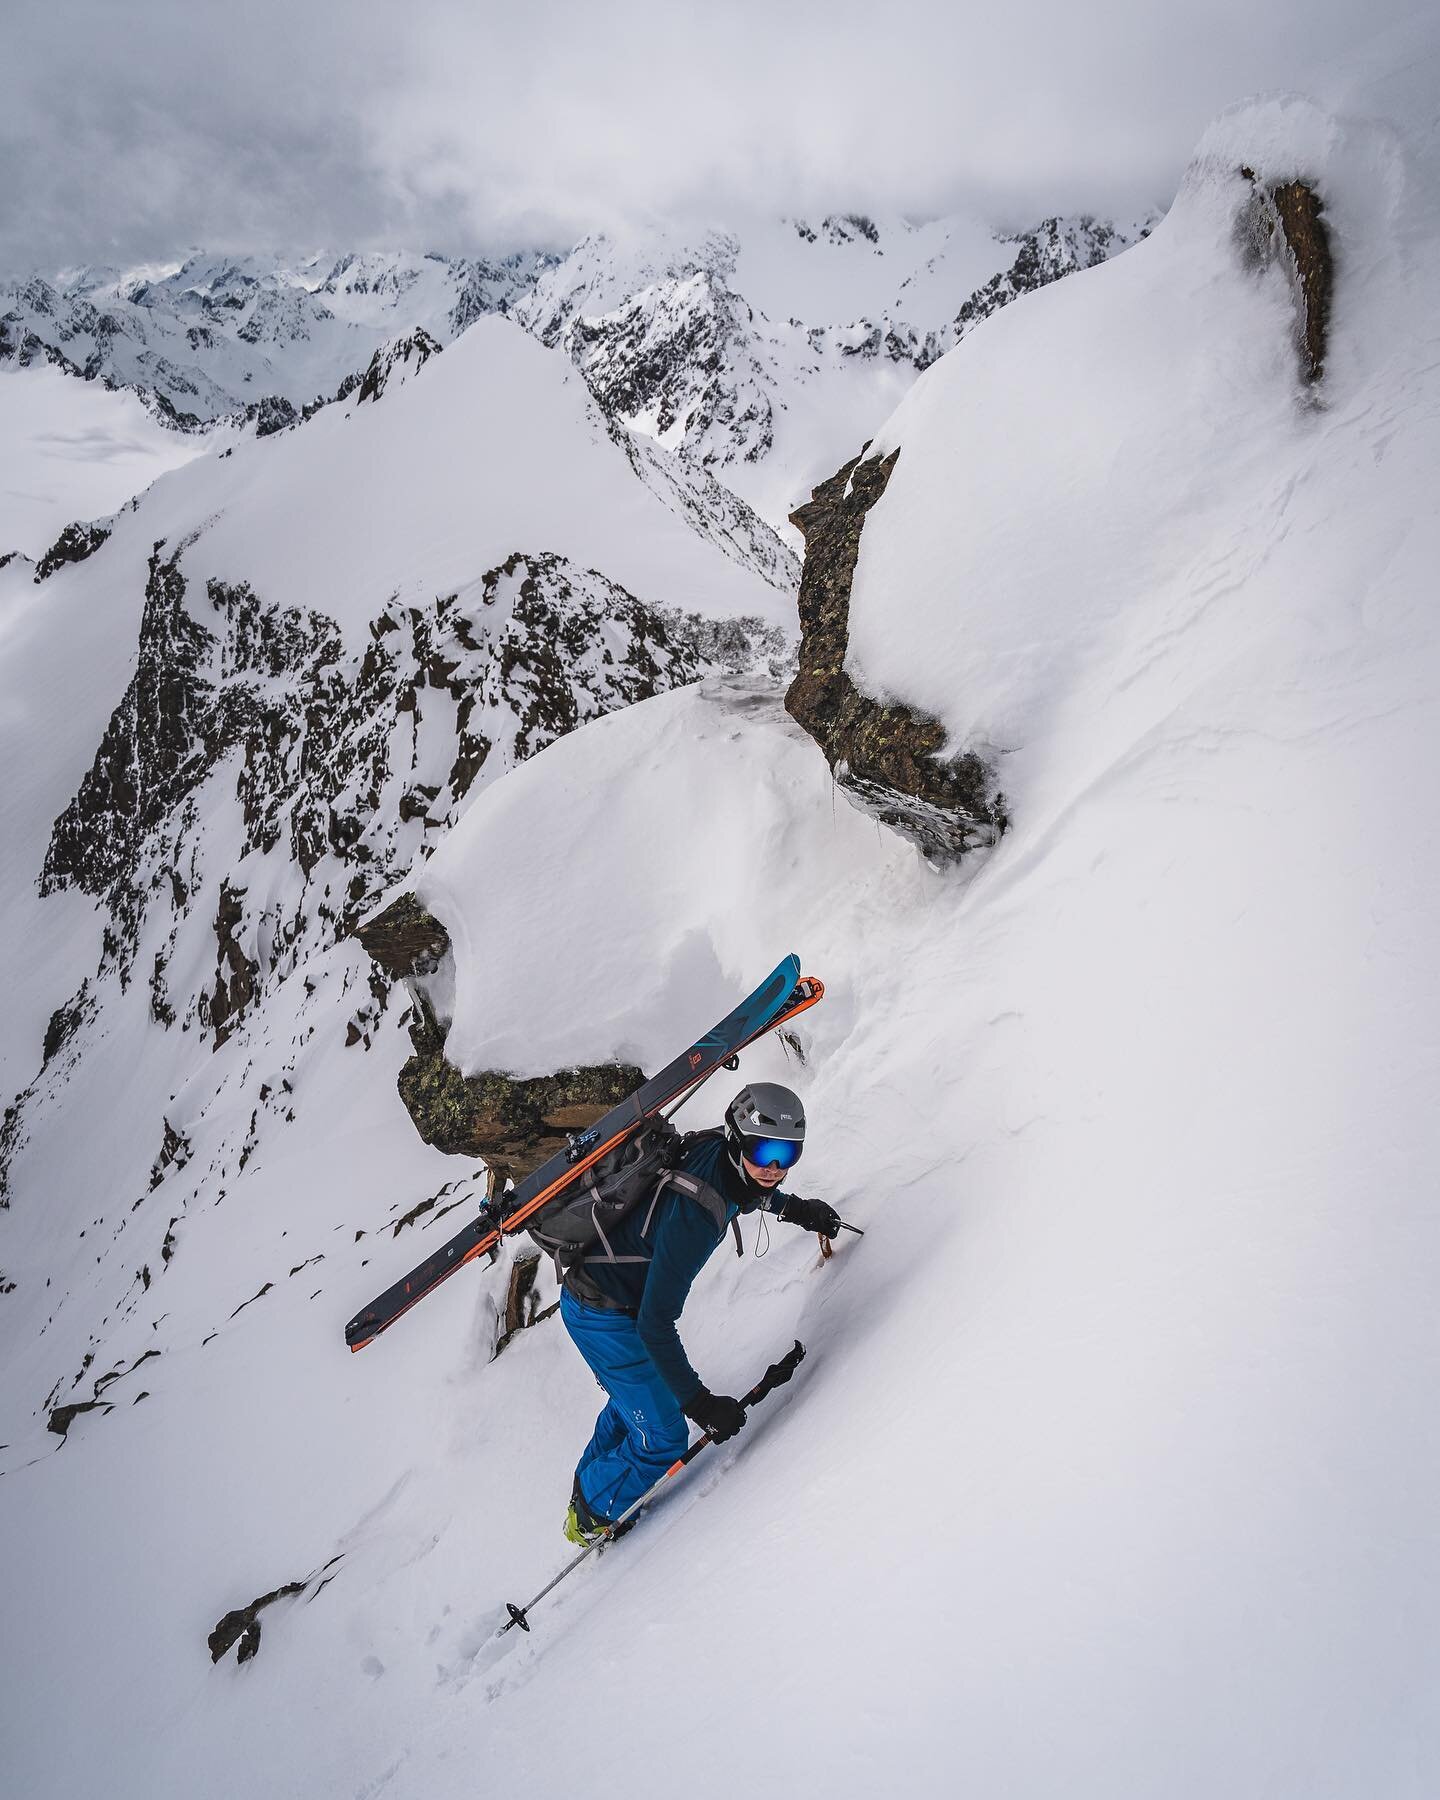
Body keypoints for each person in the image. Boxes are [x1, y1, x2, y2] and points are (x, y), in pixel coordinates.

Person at [558, 1081, 841, 1546]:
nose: (773, 1168)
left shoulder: (720, 1155)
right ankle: (589, 1517)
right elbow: (655, 1324)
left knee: (643, 1404)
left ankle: (596, 1482)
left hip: (610, 1300)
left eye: (787, 1156)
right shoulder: (696, 1215)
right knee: (666, 1438)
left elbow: (747, 1191)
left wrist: (799, 1210)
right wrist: (700, 1404)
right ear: (737, 1138)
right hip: (602, 1313)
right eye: (765, 1149)